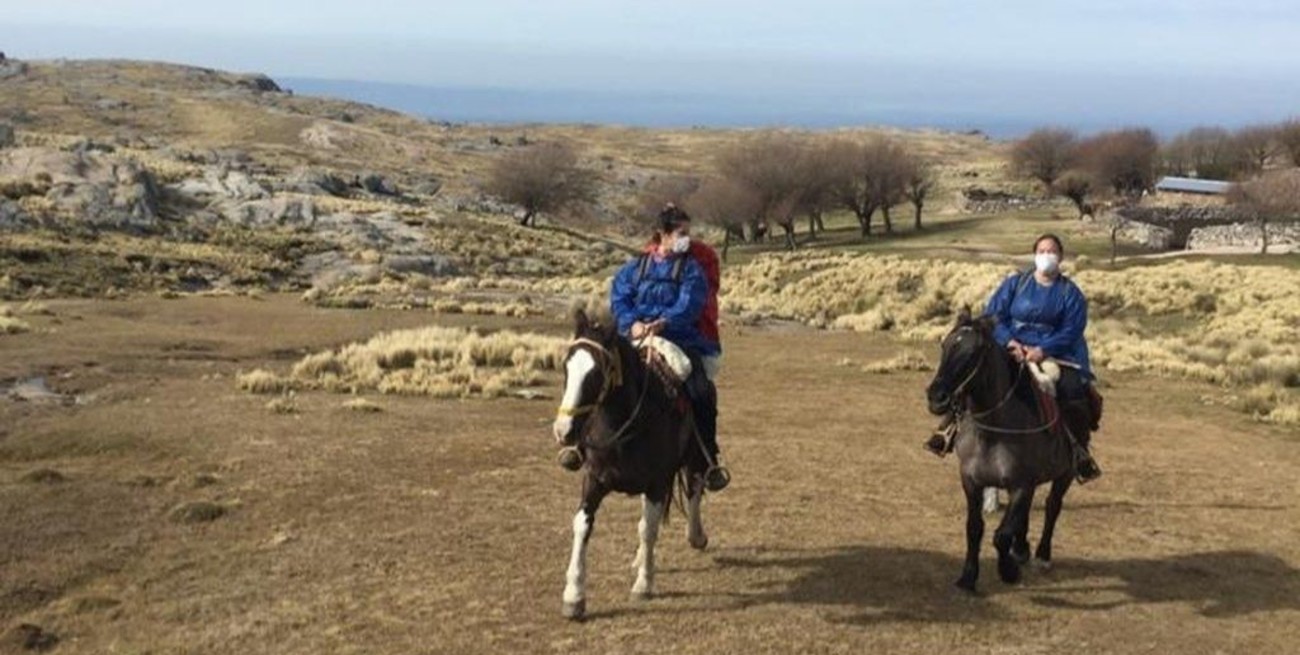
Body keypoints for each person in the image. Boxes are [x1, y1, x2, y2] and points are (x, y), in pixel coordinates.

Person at [926, 234, 1102, 483]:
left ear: (1060, 257)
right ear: (1034, 254)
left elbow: (1072, 330)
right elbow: (994, 315)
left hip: (1053, 353)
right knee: (977, 375)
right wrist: (1010, 342)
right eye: (1041, 250)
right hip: (1011, 346)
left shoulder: (1070, 293)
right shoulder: (1015, 284)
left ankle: (1077, 451)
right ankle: (948, 430)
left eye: (1051, 251)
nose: (1046, 256)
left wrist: (1041, 350)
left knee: (1071, 389)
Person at [606, 205, 731, 491]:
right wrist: (632, 323)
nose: (687, 239)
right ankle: (583, 445)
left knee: (701, 391)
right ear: (662, 235)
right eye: (681, 233)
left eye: (688, 233)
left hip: (681, 338)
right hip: (637, 336)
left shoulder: (693, 269)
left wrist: (665, 322)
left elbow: (691, 303)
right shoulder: (635, 268)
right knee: (596, 375)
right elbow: (619, 298)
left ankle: (707, 457)